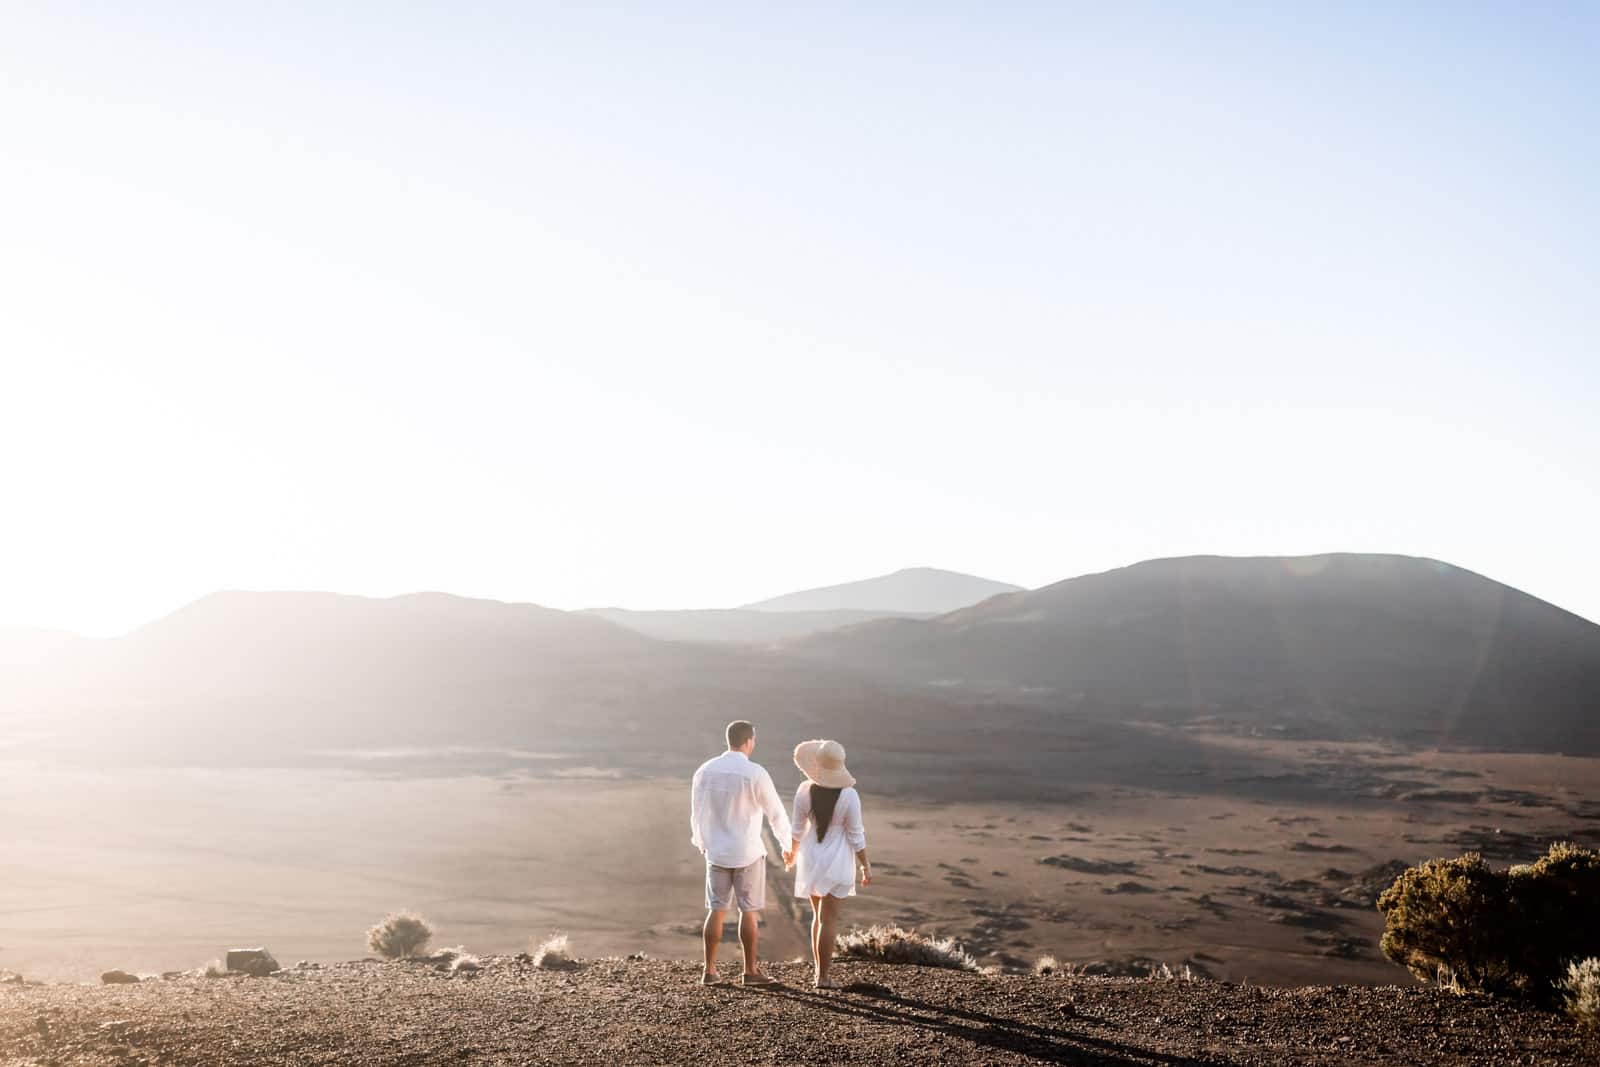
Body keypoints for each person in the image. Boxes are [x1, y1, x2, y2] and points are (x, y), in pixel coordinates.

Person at [689, 719, 793, 986]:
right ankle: (749, 972)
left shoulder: (705, 770)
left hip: (717, 852)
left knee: (716, 910)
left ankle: (709, 972)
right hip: (747, 851)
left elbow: (697, 814)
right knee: (748, 911)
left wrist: (702, 842)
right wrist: (788, 846)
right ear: (748, 741)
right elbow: (776, 813)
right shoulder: (755, 773)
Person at [786, 738, 870, 989]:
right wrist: (865, 865)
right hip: (837, 860)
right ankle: (823, 978)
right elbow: (856, 835)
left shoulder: (803, 790)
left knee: (818, 917)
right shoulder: (849, 795)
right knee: (829, 920)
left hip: (811, 857)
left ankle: (818, 973)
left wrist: (791, 854)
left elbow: (797, 830)